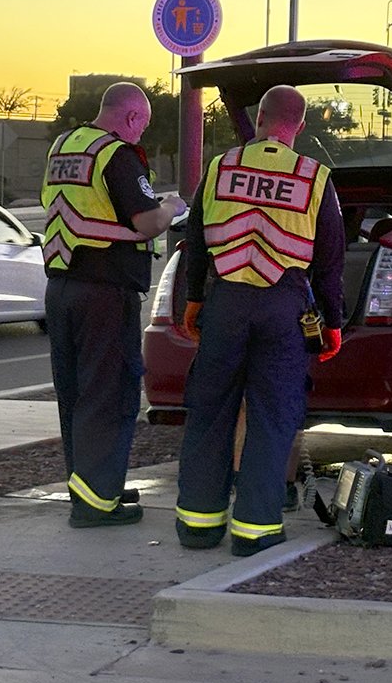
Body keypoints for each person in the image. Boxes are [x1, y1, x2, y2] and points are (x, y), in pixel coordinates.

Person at [176, 85, 345, 557]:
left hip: (225, 301)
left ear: (260, 117)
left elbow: (195, 241)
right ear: (301, 126)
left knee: (210, 413)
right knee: (272, 416)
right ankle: (255, 528)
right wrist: (332, 325)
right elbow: (330, 262)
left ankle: (198, 524)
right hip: (283, 307)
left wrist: (194, 302)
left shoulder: (220, 168)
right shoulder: (315, 177)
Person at [41, 82, 186, 528]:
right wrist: (170, 206)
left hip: (63, 286)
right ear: (130, 118)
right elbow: (144, 223)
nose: (142, 132)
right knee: (109, 394)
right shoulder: (117, 154)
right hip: (105, 292)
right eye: (142, 123)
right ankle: (97, 503)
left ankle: (90, 482)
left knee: (76, 393)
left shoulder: (65, 147)